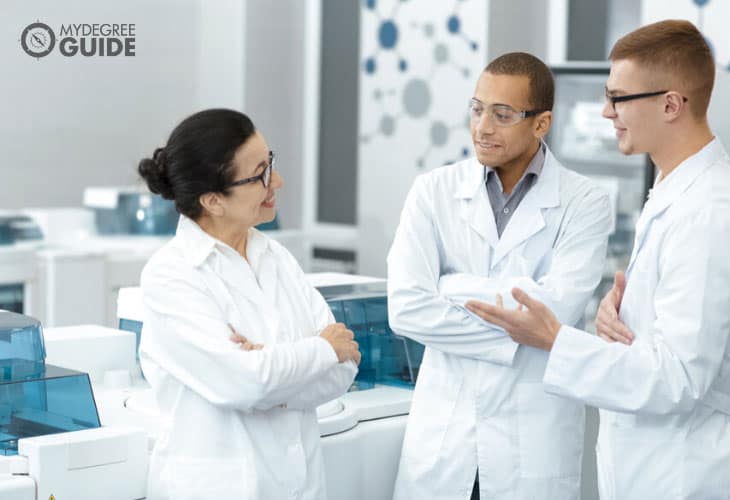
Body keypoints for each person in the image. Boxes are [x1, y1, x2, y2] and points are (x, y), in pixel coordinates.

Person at [466, 20, 730, 500]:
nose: (606, 112)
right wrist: (620, 320)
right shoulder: (674, 191)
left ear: (671, 104)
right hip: (653, 464)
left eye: (619, 98)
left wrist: (555, 341)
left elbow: (677, 380)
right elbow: (663, 342)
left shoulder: (709, 216)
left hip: (682, 473)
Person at [387, 52, 613, 500]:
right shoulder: (433, 192)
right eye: (477, 108)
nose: (482, 127)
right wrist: (519, 321)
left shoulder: (584, 201)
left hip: (529, 446)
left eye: (502, 114)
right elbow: (407, 309)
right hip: (444, 445)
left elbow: (553, 310)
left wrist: (450, 288)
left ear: (541, 123)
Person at [136, 109, 360, 500]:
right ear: (212, 201)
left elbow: (345, 369)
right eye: (259, 175)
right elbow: (246, 382)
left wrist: (271, 375)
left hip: (300, 484)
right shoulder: (171, 275)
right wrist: (321, 348)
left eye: (269, 163)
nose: (278, 182)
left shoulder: (276, 256)